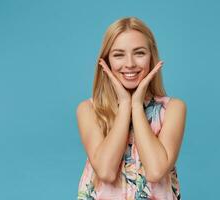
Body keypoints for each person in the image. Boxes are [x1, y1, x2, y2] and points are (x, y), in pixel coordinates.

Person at [76, 16, 187, 200]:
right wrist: (125, 104)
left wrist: (136, 104)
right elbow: (106, 172)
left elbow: (156, 171)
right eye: (119, 54)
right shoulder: (88, 110)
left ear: (151, 57)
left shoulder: (173, 109)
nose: (130, 64)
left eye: (139, 53)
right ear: (106, 60)